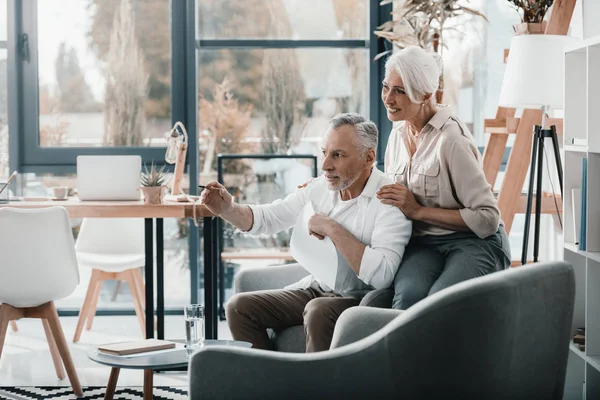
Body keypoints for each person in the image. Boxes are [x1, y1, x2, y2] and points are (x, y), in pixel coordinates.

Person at [200, 113, 412, 352]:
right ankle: (268, 383)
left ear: (368, 158)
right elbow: (271, 217)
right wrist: (228, 209)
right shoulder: (320, 187)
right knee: (238, 306)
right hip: (316, 288)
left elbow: (383, 274)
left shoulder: (388, 199)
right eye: (324, 152)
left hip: (360, 298)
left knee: (318, 310)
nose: (325, 165)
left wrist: (333, 229)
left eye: (337, 155)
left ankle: (312, 388)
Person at [376, 46, 512, 310]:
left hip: (475, 241)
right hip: (425, 243)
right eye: (386, 87)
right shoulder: (396, 136)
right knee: (407, 299)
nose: (388, 98)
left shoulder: (452, 140)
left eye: (400, 91)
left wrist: (417, 211)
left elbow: (487, 218)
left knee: (439, 305)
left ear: (425, 95)